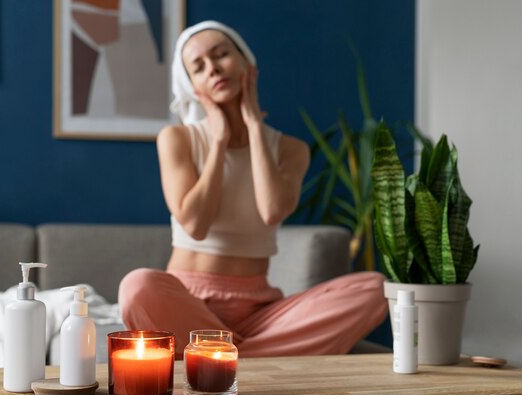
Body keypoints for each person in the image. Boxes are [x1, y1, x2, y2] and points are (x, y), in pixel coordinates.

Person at [118, 20, 387, 357]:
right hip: (187, 304)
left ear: (247, 63)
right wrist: (219, 142)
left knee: (375, 288)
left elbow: (272, 209)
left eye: (221, 55)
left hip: (260, 313)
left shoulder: (290, 149)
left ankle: (223, 358)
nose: (213, 68)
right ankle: (257, 359)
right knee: (137, 285)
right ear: (192, 86)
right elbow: (194, 225)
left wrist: (254, 129)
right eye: (198, 67)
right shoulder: (178, 139)